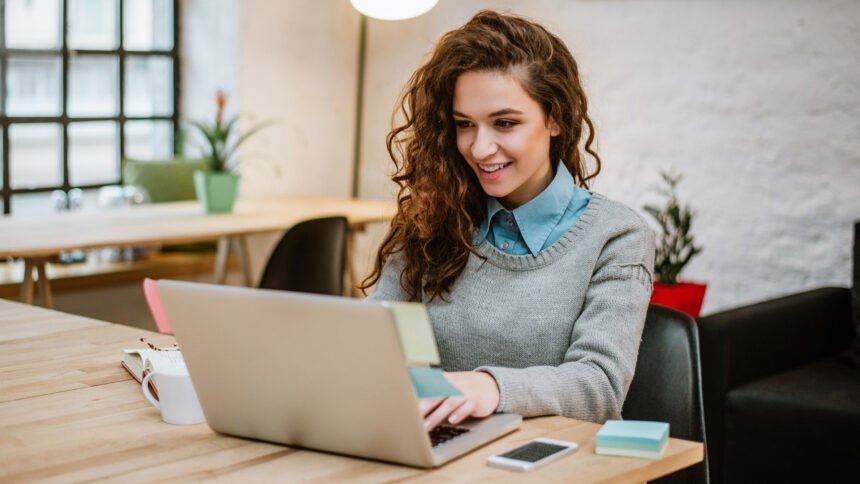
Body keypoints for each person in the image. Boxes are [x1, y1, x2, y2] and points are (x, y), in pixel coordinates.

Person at [363, 10, 655, 431]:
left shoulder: (617, 236)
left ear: (555, 118)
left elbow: (599, 385)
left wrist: (490, 388)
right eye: (465, 125)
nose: (481, 148)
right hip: (440, 454)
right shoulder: (433, 221)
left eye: (505, 123)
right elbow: (376, 340)